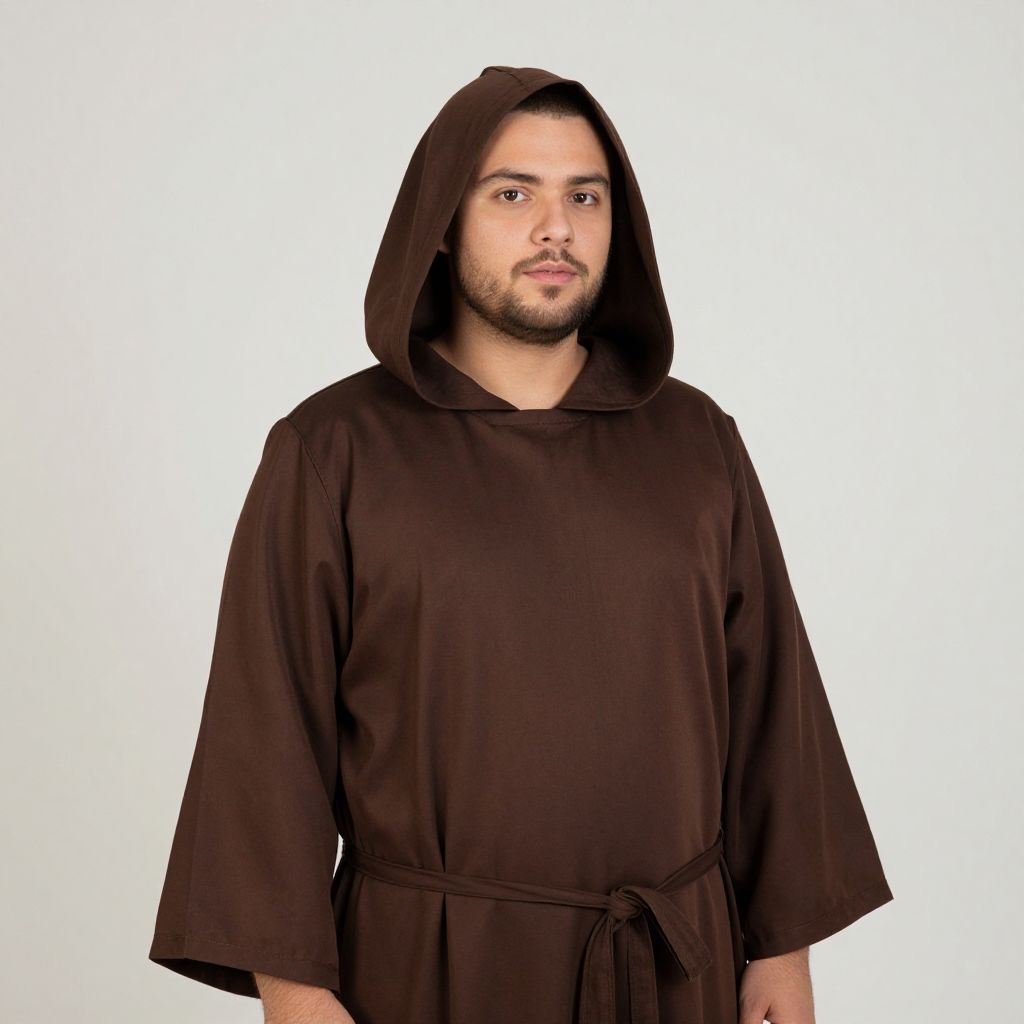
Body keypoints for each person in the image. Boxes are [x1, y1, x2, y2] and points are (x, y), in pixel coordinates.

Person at [148, 66, 894, 1024]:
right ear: (442, 222)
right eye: (513, 194)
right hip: (425, 975)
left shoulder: (696, 441)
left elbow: (772, 705)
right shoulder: (333, 450)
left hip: (676, 973)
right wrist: (294, 995)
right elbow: (265, 729)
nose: (556, 228)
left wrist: (782, 953)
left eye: (585, 196)